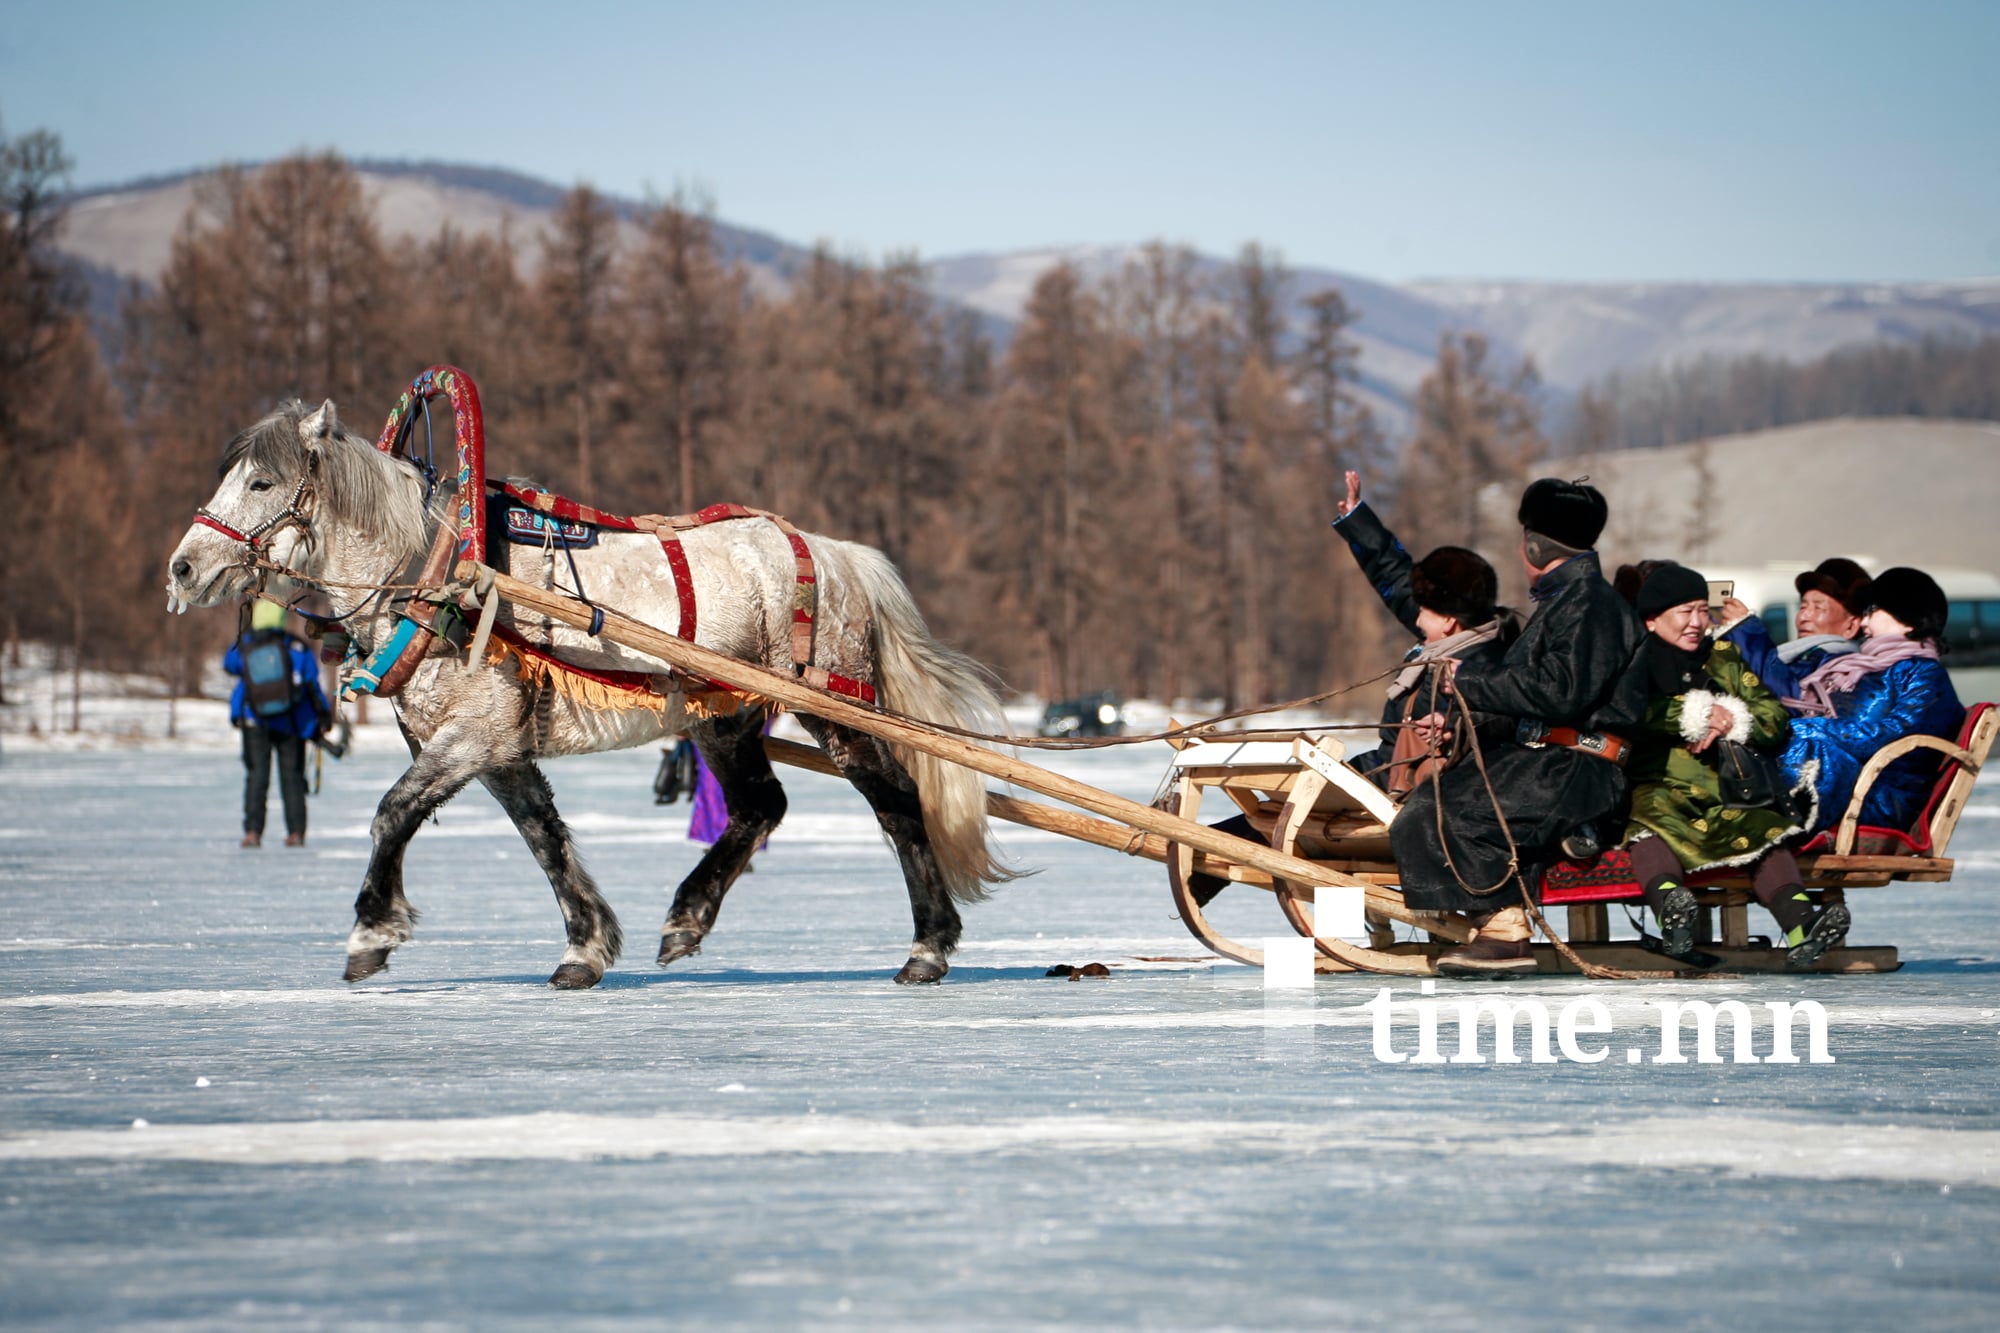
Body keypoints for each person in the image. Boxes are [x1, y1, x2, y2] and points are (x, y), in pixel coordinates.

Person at [1389, 478, 1646, 977]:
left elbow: (1560, 692)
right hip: (1548, 762)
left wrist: (1475, 682)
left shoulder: (1590, 604)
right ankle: (1496, 921)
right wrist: (1458, 721)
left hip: (1578, 768)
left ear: (1532, 545)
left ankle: (1505, 933)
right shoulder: (1567, 601)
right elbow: (1535, 698)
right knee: (1429, 804)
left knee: (1439, 810)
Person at [1617, 563, 1842, 969]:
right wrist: (1693, 713)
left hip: (1730, 787)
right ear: (1652, 620)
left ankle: (1802, 926)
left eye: (1704, 610)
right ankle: (1673, 913)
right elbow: (1624, 713)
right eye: (1685, 612)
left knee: (1764, 831)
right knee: (1649, 827)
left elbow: (1773, 718)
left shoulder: (1723, 656)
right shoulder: (1632, 661)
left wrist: (1734, 718)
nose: (1697, 623)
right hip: (1657, 784)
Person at [1330, 470, 1518, 791]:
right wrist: (1359, 523)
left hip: (1407, 790)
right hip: (1382, 769)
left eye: (1425, 610)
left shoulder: (1476, 670)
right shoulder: (1448, 639)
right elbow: (1397, 578)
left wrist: (1452, 727)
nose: (1416, 619)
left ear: (1448, 619)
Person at [1781, 566, 1964, 836]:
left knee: (1809, 748)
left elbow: (1891, 735)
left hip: (1880, 796)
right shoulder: (1868, 667)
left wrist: (1810, 729)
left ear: (1908, 617)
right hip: (1850, 780)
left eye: (1872, 611)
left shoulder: (1924, 674)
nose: (1863, 623)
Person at [224, 598, 331, 848]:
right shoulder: (296, 647)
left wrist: (246, 636)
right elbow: (311, 683)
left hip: (254, 719)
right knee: (292, 777)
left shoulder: (244, 646)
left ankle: (252, 832)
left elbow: (228, 665)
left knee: (256, 777)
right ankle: (295, 832)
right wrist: (323, 716)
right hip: (292, 723)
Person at [1717, 557, 1872, 704]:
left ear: (1851, 626)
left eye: (1819, 607)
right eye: (1803, 606)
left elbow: (1791, 699)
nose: (1804, 616)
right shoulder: (1802, 657)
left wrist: (1745, 631)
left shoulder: (1845, 669)